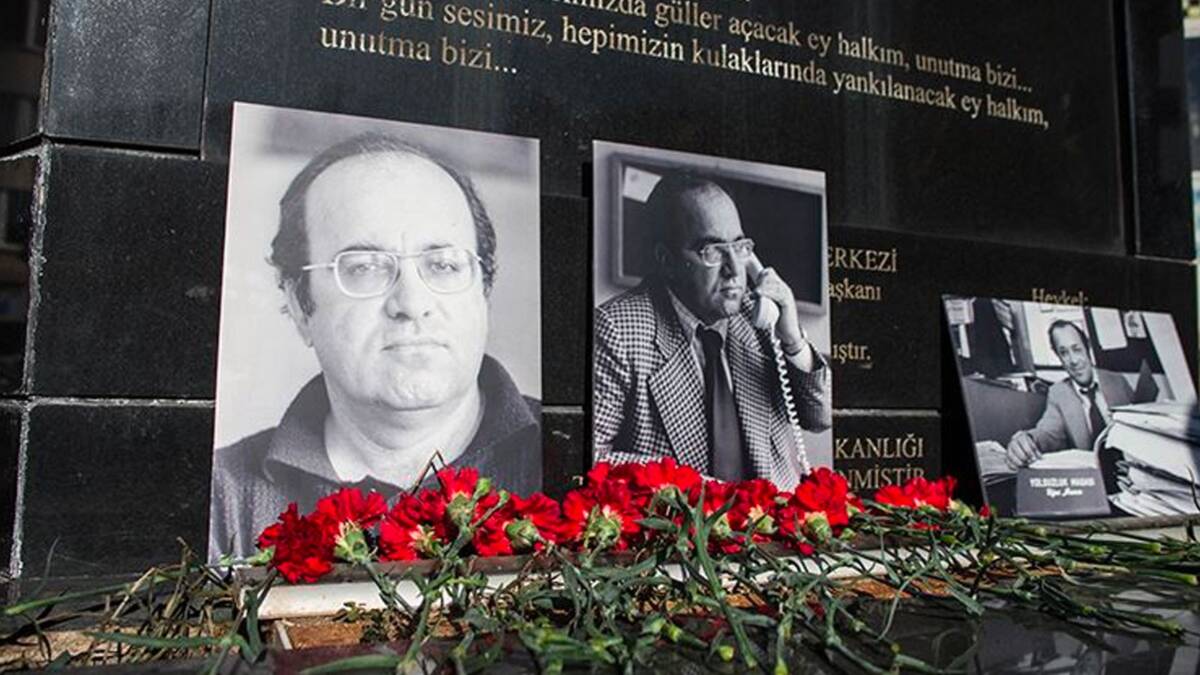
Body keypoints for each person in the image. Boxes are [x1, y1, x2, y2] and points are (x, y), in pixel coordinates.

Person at [211, 134, 540, 558]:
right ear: (298, 305)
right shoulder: (221, 494)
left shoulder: (574, 459)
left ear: (484, 292)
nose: (412, 304)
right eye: (364, 267)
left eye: (443, 265)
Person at [592, 173, 831, 490]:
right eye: (712, 251)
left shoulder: (759, 315)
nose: (735, 270)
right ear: (666, 260)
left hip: (772, 514)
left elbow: (818, 417)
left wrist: (792, 340)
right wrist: (702, 490)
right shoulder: (618, 329)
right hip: (684, 519)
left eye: (740, 247)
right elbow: (594, 457)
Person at [1005, 320, 1133, 475]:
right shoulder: (1058, 393)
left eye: (1077, 349)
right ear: (1058, 357)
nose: (1073, 361)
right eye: (1064, 353)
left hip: (1130, 472)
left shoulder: (1118, 381)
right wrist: (1028, 440)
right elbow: (1048, 433)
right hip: (1092, 476)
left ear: (1087, 348)